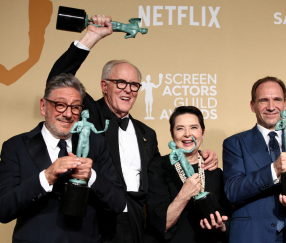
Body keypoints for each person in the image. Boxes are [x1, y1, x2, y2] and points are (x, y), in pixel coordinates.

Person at [47, 14, 219, 243]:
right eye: (120, 83)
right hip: (95, 217)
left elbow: (163, 170)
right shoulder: (89, 113)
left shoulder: (146, 133)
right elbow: (58, 79)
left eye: (134, 85)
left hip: (138, 221)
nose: (127, 90)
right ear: (104, 86)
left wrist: (199, 156)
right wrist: (92, 36)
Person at [0, 74, 125, 243]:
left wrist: (92, 177)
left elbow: (118, 203)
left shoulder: (96, 144)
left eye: (75, 107)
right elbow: (4, 208)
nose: (68, 114)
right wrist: (46, 177)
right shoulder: (15, 147)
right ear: (43, 106)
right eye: (60, 105)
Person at [223, 76, 286, 243]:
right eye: (264, 100)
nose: (271, 107)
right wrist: (274, 169)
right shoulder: (235, 144)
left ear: (285, 104)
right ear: (252, 106)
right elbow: (233, 191)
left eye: (277, 100)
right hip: (252, 236)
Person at [146, 106, 232, 243]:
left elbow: (227, 220)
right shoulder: (158, 167)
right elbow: (160, 224)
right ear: (172, 133)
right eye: (180, 128)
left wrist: (220, 227)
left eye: (193, 127)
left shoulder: (214, 171)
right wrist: (185, 194)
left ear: (203, 132)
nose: (187, 134)